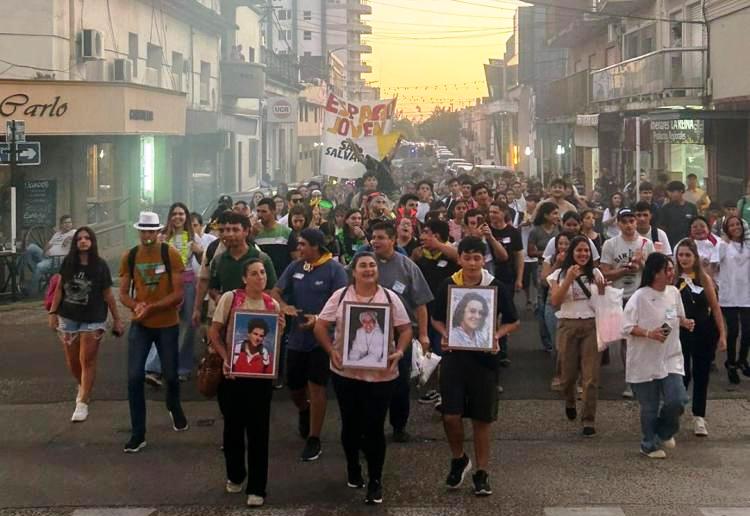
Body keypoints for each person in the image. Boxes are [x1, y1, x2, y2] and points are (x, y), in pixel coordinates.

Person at [314, 252, 413, 505]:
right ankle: (353, 468)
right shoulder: (340, 297)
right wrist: (331, 351)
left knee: (375, 428)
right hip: (346, 375)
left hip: (382, 376)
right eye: (363, 266)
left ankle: (376, 480)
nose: (368, 269)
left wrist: (400, 351)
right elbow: (320, 326)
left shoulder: (390, 298)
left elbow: (405, 329)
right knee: (350, 425)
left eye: (372, 265)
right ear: (353, 271)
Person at [431, 237, 520, 496]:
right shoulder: (448, 285)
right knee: (450, 415)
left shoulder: (495, 287)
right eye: (467, 257)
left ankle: (482, 472)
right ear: (459, 259)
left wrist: (496, 335)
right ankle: (459, 458)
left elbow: (513, 321)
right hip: (455, 357)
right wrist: (445, 333)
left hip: (484, 359)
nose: (471, 263)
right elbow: (437, 319)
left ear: (484, 260)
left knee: (482, 420)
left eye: (477, 258)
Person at [209, 259, 284, 507]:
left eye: (262, 273)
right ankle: (236, 474)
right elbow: (214, 331)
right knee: (232, 428)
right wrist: (225, 358)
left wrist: (280, 330)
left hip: (259, 380)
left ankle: (257, 488)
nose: (259, 277)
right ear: (244, 278)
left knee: (259, 432)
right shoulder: (230, 299)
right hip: (232, 376)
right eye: (254, 273)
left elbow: (272, 344)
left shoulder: (272, 304)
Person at [272, 228, 348, 462]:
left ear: (316, 246)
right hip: (296, 338)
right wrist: (284, 306)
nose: (299, 248)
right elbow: (276, 291)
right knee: (295, 387)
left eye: (303, 244)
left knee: (317, 386)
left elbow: (343, 303)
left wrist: (318, 319)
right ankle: (304, 411)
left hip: (322, 338)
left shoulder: (335, 270)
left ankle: (314, 438)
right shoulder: (295, 266)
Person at [119, 212, 187, 453]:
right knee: (134, 377)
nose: (147, 236)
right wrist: (135, 305)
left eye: (151, 231)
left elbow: (178, 294)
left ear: (158, 231)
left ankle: (174, 403)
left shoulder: (170, 254)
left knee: (170, 374)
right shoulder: (131, 256)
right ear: (138, 231)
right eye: (143, 231)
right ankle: (138, 433)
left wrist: (153, 307)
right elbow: (124, 293)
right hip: (141, 325)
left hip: (167, 323)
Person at [47, 226, 123, 422]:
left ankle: (83, 401)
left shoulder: (100, 265)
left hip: (93, 318)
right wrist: (53, 312)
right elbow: (59, 290)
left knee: (87, 359)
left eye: (87, 238)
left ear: (92, 242)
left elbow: (108, 295)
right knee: (73, 362)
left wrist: (117, 319)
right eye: (79, 238)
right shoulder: (68, 263)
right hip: (68, 317)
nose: (83, 241)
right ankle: (83, 385)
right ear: (75, 243)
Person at [623, 253, 693, 459]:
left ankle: (664, 431)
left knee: (677, 400)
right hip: (644, 359)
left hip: (670, 357)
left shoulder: (673, 293)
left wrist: (685, 323)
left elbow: (675, 316)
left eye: (672, 269)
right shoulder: (640, 297)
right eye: (667, 270)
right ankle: (649, 444)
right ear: (655, 273)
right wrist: (648, 333)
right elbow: (625, 327)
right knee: (650, 406)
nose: (672, 273)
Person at [369, 221, 434, 442]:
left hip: (401, 335)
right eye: (373, 237)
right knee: (371, 384)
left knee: (399, 384)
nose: (375, 241)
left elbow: (421, 303)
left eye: (380, 237)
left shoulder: (407, 266)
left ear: (392, 240)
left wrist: (423, 335)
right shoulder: (365, 264)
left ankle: (399, 425)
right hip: (370, 333)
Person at [548, 235, 607, 436]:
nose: (583, 254)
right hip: (568, 325)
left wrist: (602, 290)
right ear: (572, 253)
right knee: (568, 374)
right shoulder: (558, 274)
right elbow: (555, 300)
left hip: (591, 325)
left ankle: (589, 419)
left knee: (591, 376)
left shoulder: (596, 272)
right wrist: (570, 279)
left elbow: (603, 300)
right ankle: (570, 399)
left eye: (586, 251)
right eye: (579, 250)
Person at [145, 202, 202, 385]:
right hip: (166, 285)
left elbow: (203, 262)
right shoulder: (162, 237)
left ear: (186, 217)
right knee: (163, 324)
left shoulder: (194, 238)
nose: (178, 217)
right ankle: (154, 368)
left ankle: (182, 368)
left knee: (187, 326)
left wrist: (199, 252)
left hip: (188, 283)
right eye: (175, 214)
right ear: (170, 217)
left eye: (181, 214)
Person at [600, 208, 655, 398]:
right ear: (618, 224)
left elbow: (654, 273)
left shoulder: (646, 244)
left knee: (642, 337)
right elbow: (604, 272)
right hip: (619, 297)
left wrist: (642, 265)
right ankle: (630, 380)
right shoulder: (610, 244)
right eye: (625, 222)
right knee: (626, 339)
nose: (629, 225)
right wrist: (623, 270)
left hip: (640, 296)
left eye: (632, 221)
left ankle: (644, 375)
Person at [673, 238, 726, 436]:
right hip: (681, 332)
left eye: (688, 255)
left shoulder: (704, 279)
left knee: (702, 373)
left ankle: (699, 416)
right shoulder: (673, 279)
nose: (684, 259)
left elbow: (715, 307)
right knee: (682, 372)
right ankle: (677, 406)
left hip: (704, 331)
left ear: (695, 257)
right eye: (681, 255)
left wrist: (722, 334)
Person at [717, 216, 750, 385]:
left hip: (746, 294)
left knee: (747, 332)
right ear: (726, 228)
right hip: (729, 295)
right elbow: (714, 264)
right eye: (732, 225)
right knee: (734, 331)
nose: (735, 227)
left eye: (738, 224)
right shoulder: (723, 245)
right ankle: (730, 363)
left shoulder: (748, 245)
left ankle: (742, 359)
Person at [528, 202, 561, 353]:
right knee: (543, 304)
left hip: (559, 269)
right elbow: (530, 252)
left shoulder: (559, 230)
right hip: (542, 267)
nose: (557, 216)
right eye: (554, 213)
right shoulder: (535, 232)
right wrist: (547, 254)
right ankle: (547, 341)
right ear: (546, 215)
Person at [24, 214, 76, 295]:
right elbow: (48, 245)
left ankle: (32, 291)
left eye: (69, 222)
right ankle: (33, 271)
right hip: (47, 257)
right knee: (31, 247)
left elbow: (80, 236)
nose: (68, 224)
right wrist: (45, 251)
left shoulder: (74, 232)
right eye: (65, 223)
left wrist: (70, 238)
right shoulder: (57, 234)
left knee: (39, 266)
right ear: (61, 224)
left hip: (58, 260)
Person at [253, 197, 298, 278]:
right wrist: (252, 235)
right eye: (258, 211)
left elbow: (296, 259)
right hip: (260, 277)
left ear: (273, 211)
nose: (260, 215)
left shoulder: (286, 232)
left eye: (264, 212)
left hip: (282, 277)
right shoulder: (254, 231)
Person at [658, 181, 698, 248]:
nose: (670, 194)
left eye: (673, 192)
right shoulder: (665, 209)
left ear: (681, 191)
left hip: (688, 243)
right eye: (669, 192)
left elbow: (695, 225)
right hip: (671, 244)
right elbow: (662, 227)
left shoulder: (691, 207)